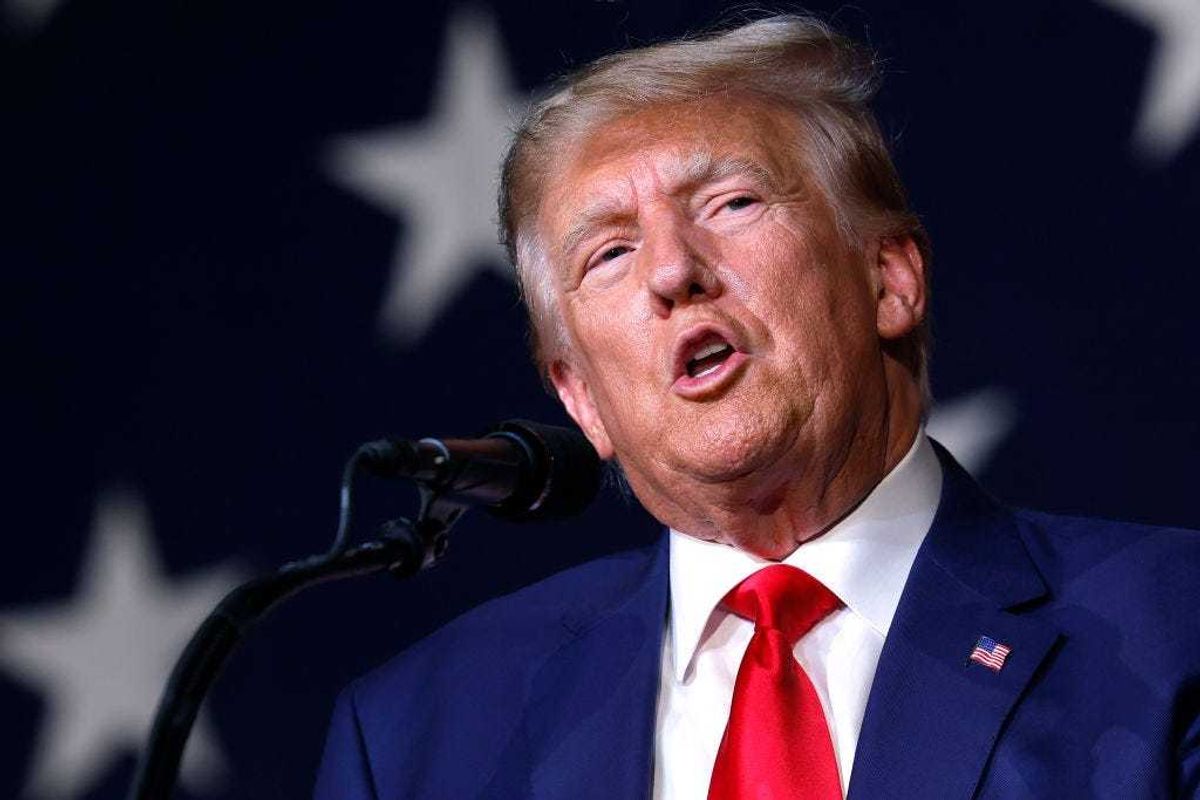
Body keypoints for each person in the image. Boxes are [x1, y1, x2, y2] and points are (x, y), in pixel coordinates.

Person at [314, 14, 1200, 799]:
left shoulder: (1170, 631)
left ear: (889, 278)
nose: (672, 272)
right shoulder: (413, 745)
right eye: (609, 254)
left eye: (732, 202)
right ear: (580, 397)